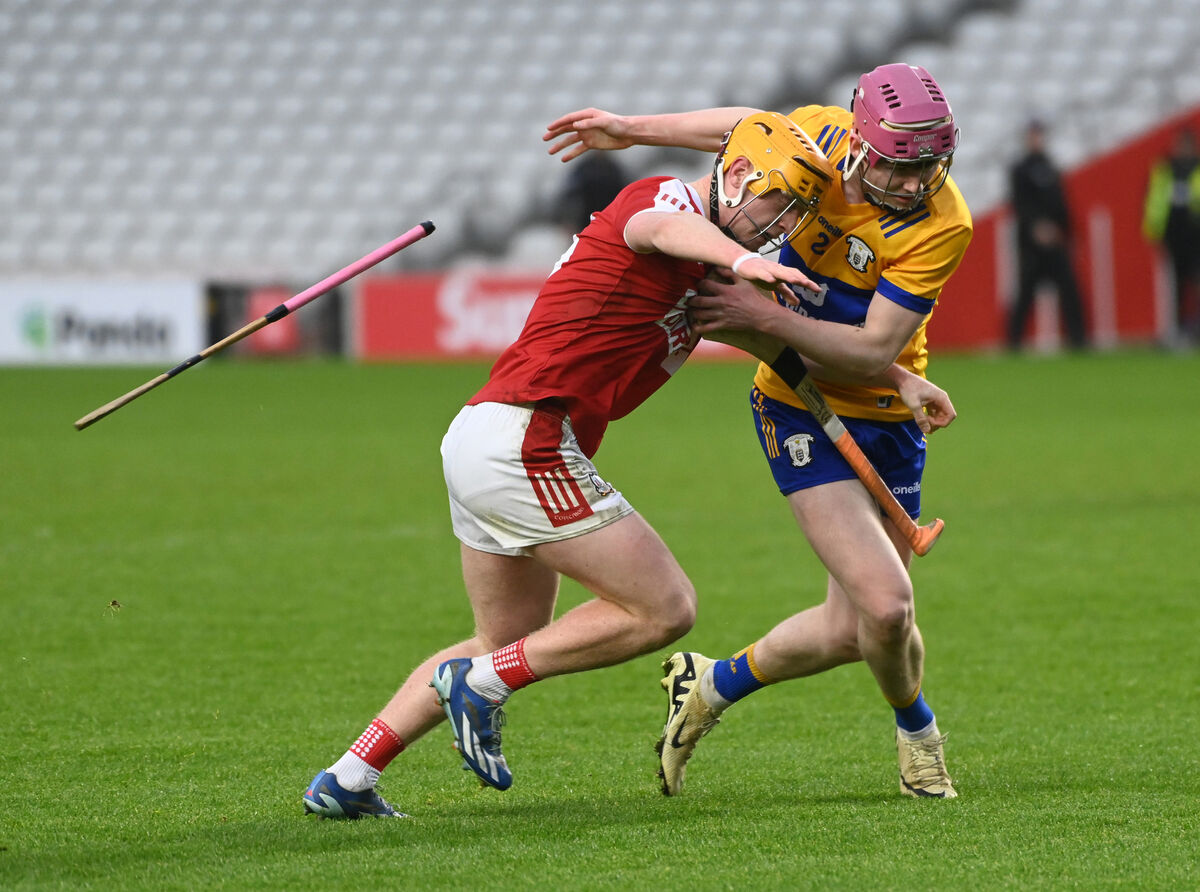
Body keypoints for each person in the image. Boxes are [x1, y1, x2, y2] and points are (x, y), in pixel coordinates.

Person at [303, 111, 896, 818]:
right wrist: (743, 262)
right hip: (527, 437)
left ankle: (347, 778)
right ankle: (482, 682)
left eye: (798, 214)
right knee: (666, 608)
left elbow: (773, 347)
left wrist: (902, 385)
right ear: (736, 176)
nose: (783, 227)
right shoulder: (662, 202)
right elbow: (663, 229)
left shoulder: (709, 273)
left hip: (487, 438)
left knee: (504, 639)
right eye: (780, 204)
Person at [544, 61, 970, 800]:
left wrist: (761, 315)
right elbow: (745, 130)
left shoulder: (941, 223)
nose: (914, 184)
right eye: (900, 167)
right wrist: (631, 130)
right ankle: (919, 738)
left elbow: (872, 349)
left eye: (929, 166)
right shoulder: (830, 141)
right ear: (863, 144)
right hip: (796, 400)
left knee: (855, 628)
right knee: (889, 603)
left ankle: (710, 685)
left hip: (884, 405)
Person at [1005, 118, 1088, 350]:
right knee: (1024, 294)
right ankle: (1013, 342)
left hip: (1054, 241)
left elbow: (1061, 204)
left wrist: (1061, 231)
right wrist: (1036, 227)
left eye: (1039, 135)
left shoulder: (1051, 167)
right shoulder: (1019, 169)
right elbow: (1020, 205)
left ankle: (1079, 340)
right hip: (1030, 243)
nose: (1036, 140)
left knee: (1070, 289)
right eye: (1033, 136)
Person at [1142, 127, 1200, 346]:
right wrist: (1154, 231)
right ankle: (1177, 331)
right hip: (1174, 236)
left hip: (1197, 236)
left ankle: (1194, 329)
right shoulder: (1165, 170)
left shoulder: (1197, 169)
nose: (1182, 149)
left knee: (1196, 282)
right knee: (1176, 285)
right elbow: (1153, 200)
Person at [552, 151, 631, 236]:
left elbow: (625, 195)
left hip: (608, 220)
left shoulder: (614, 169)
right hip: (586, 220)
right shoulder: (583, 168)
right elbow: (570, 194)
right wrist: (568, 220)